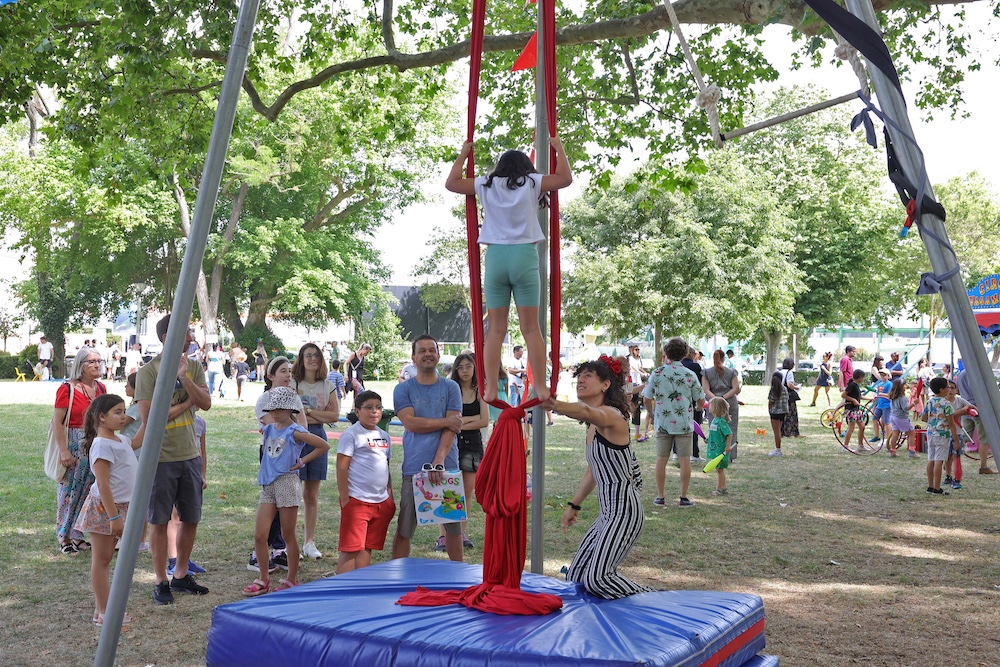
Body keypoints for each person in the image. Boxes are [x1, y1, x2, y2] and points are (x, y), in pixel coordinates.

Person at [445, 137, 574, 404]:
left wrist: (464, 154)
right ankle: (540, 386)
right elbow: (564, 178)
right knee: (531, 329)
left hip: (496, 257)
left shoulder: (486, 184)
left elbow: (452, 183)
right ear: (526, 167)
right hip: (524, 255)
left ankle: (490, 387)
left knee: (495, 330)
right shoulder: (532, 182)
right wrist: (557, 147)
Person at [544, 355, 653, 599]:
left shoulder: (612, 416)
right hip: (608, 513)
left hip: (625, 512)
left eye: (588, 376)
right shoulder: (593, 426)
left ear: (605, 384)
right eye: (579, 376)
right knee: (577, 576)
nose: (580, 380)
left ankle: (654, 599)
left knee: (598, 578)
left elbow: (584, 410)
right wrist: (574, 505)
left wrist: (555, 405)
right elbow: (594, 468)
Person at [133, 315, 212, 605]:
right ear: (168, 337)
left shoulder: (192, 367)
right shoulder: (148, 372)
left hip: (190, 455)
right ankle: (160, 581)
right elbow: (149, 417)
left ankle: (180, 575)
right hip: (160, 458)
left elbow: (206, 403)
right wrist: (189, 400)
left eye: (191, 333)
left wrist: (185, 379)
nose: (191, 338)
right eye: (186, 333)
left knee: (190, 518)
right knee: (159, 520)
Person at [243, 387, 331, 595]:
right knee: (260, 535)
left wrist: (301, 461)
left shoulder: (295, 431)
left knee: (288, 533)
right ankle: (264, 578)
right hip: (269, 484)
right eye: (272, 408)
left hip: (287, 483)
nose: (275, 412)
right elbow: (266, 451)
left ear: (290, 409)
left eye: (280, 409)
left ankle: (292, 578)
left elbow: (323, 446)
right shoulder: (269, 428)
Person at [391, 335, 464, 562]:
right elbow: (411, 423)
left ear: (438, 355)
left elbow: (453, 429)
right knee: (405, 528)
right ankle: (398, 574)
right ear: (413, 358)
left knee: (453, 528)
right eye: (421, 351)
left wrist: (438, 460)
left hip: (446, 466)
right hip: (414, 467)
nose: (427, 354)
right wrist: (445, 421)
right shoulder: (402, 390)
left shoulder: (451, 387)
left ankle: (458, 576)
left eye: (431, 350)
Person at [72, 393, 139, 626]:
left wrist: (151, 415)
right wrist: (114, 517)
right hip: (105, 508)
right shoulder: (101, 445)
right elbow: (103, 484)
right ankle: (105, 613)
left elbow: (138, 441)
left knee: (107, 558)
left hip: (119, 506)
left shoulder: (120, 440)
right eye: (117, 412)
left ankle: (101, 610)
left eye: (124, 411)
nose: (123, 416)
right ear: (101, 418)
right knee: (101, 561)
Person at [250, 356, 308, 574]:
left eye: (290, 371)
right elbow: (274, 426)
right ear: (271, 376)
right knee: (271, 505)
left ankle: (279, 550)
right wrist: (289, 426)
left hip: (291, 457)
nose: (288, 375)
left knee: (286, 509)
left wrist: (301, 454)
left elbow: (302, 427)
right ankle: (260, 552)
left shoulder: (295, 398)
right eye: (283, 371)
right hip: (272, 457)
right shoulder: (264, 399)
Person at [52, 346, 108, 554]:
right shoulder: (67, 389)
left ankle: (77, 534)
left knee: (88, 491)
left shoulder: (101, 389)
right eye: (91, 362)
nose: (96, 365)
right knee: (68, 492)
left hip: (96, 443)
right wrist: (64, 450)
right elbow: (57, 422)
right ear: (80, 365)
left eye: (98, 361)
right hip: (74, 442)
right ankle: (63, 535)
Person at [335, 390, 395, 574]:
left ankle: (360, 586)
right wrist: (345, 499)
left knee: (367, 547)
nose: (374, 412)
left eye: (378, 407)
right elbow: (342, 467)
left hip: (380, 502)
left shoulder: (384, 436)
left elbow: (386, 465)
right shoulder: (351, 434)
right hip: (357, 500)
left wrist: (390, 495)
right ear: (357, 411)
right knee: (351, 549)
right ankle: (341, 590)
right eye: (368, 407)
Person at [642, 338, 705, 508]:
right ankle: (683, 497)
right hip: (684, 422)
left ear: (667, 353)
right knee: (684, 459)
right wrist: (697, 409)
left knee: (661, 459)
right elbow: (700, 400)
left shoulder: (657, 373)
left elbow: (646, 398)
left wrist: (652, 414)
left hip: (663, 422)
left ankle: (660, 496)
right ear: (684, 353)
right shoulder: (690, 374)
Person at [291, 343, 340, 560]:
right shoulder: (293, 384)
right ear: (301, 359)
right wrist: (318, 413)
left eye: (316, 356)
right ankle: (288, 542)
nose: (312, 359)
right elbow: (291, 416)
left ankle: (309, 542)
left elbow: (334, 416)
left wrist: (307, 411)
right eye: (307, 355)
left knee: (312, 495)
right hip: (296, 438)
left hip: (318, 437)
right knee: (291, 493)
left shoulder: (327, 385)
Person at [440, 353, 488, 551]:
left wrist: (460, 422)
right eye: (461, 367)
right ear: (456, 370)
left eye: (469, 366)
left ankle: (460, 533)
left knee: (467, 491)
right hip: (452, 442)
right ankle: (444, 536)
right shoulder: (451, 390)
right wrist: (470, 419)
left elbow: (484, 420)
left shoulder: (480, 391)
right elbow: (446, 418)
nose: (465, 370)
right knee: (450, 489)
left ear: (475, 368)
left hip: (473, 444)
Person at [954, 368, 996, 474]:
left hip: (966, 408)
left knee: (963, 437)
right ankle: (983, 466)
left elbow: (958, 390)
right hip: (978, 408)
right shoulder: (973, 373)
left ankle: (949, 460)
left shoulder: (961, 374)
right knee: (983, 439)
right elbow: (979, 391)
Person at [921, 377, 958, 495]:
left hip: (931, 433)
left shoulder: (929, 401)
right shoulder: (947, 404)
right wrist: (956, 440)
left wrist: (933, 422)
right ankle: (937, 488)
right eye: (948, 387)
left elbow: (923, 417)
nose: (949, 389)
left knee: (931, 459)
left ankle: (930, 486)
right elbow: (951, 424)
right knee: (939, 460)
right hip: (943, 435)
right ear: (942, 390)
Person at [702, 350, 741, 460]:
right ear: (724, 359)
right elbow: (736, 388)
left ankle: (716, 453)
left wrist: (715, 399)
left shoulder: (705, 373)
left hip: (713, 404)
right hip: (729, 403)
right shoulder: (732, 372)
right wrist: (723, 398)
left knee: (714, 428)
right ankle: (730, 455)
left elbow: (706, 389)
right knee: (731, 428)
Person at [943, 380, 972, 490]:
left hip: (958, 433)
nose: (950, 389)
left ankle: (957, 479)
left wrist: (968, 410)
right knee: (947, 457)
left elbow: (972, 407)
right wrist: (962, 411)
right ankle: (948, 476)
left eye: (952, 387)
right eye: (948, 387)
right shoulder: (943, 402)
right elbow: (950, 415)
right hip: (945, 433)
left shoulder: (960, 401)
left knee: (957, 457)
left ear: (956, 390)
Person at [678, 346, 704, 457]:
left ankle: (676, 451)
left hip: (678, 401)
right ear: (691, 354)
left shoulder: (677, 366)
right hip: (692, 400)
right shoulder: (695, 366)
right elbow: (699, 385)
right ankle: (694, 452)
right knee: (694, 426)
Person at [705, 397, 733, 496]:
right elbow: (715, 434)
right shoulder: (714, 420)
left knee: (720, 470)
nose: (709, 407)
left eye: (711, 405)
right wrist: (708, 440)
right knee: (718, 469)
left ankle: (720, 488)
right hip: (716, 449)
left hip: (721, 451)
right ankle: (722, 487)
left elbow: (729, 434)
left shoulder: (721, 422)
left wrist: (728, 446)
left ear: (716, 408)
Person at [886, 379, 916, 458]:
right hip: (901, 417)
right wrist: (913, 404)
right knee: (912, 433)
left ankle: (893, 450)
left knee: (895, 433)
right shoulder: (902, 398)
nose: (906, 386)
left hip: (893, 416)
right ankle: (912, 451)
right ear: (900, 387)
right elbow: (905, 408)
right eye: (904, 385)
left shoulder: (893, 396)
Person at [841, 369, 868, 451]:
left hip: (856, 410)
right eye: (862, 378)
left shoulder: (856, 385)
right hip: (851, 410)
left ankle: (860, 446)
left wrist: (870, 398)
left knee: (862, 427)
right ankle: (845, 446)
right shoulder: (852, 385)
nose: (862, 379)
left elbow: (859, 396)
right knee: (851, 428)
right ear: (859, 377)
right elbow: (844, 395)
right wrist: (853, 400)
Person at [627, 345, 647, 442]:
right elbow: (633, 368)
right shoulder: (630, 359)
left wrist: (645, 372)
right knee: (631, 404)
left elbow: (640, 368)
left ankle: (637, 433)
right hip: (632, 383)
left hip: (638, 383)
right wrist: (640, 373)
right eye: (636, 349)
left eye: (639, 349)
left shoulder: (639, 359)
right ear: (632, 350)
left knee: (637, 406)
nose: (638, 351)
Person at [767, 371, 789, 457]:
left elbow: (770, 402)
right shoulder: (784, 388)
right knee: (779, 431)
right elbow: (786, 399)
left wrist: (769, 411)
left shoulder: (773, 390)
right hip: (783, 412)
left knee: (776, 432)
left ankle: (778, 450)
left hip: (775, 413)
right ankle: (777, 448)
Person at [780, 358, 801, 438]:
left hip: (780, 395)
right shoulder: (789, 373)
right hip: (788, 395)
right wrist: (796, 387)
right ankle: (793, 432)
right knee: (792, 414)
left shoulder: (779, 372)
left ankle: (781, 432)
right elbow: (789, 384)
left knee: (782, 414)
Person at [871, 370, 892, 444]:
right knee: (874, 419)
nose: (883, 377)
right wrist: (876, 397)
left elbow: (890, 395)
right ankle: (876, 436)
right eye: (881, 375)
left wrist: (881, 394)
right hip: (879, 405)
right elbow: (877, 394)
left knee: (887, 422)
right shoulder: (879, 384)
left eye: (884, 375)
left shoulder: (889, 384)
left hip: (887, 405)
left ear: (888, 376)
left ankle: (888, 439)